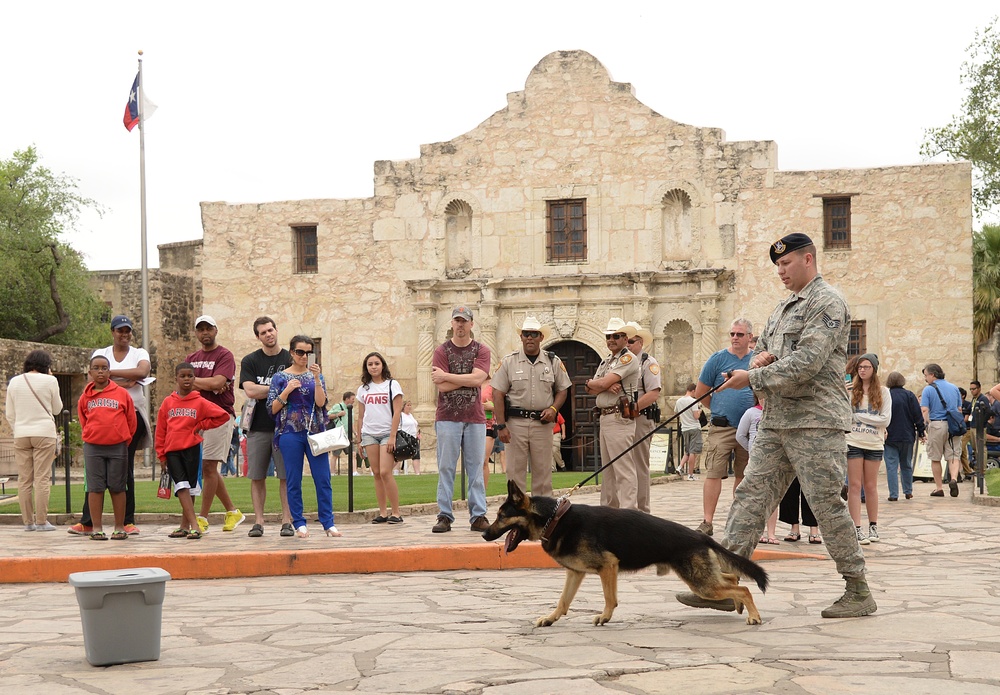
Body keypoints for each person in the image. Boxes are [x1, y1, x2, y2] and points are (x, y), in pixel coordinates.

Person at [677, 232, 876, 619]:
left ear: (808, 259)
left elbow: (808, 362)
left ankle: (858, 587)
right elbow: (765, 348)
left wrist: (752, 377)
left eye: (786, 264)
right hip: (777, 419)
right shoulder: (783, 308)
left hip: (816, 423)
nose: (781, 271)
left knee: (824, 504)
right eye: (777, 266)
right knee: (751, 496)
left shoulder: (827, 302)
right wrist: (758, 361)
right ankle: (722, 585)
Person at [68, 315, 151, 536]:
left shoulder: (138, 353)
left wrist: (109, 375)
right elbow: (92, 383)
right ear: (112, 332)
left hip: (129, 416)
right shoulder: (101, 354)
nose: (124, 335)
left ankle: (126, 521)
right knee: (94, 479)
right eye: (119, 331)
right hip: (100, 421)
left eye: (127, 331)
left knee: (125, 473)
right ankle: (89, 522)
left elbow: (142, 372)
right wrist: (122, 380)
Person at [267, 335, 340, 538]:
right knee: (293, 478)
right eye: (300, 352)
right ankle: (298, 522)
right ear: (292, 353)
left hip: (314, 431)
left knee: (323, 477)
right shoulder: (280, 377)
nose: (304, 356)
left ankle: (328, 522)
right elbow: (272, 408)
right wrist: (287, 392)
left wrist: (316, 379)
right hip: (289, 432)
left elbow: (320, 403)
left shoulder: (316, 376)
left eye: (308, 352)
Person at [492, 316, 572, 498]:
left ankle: (542, 520)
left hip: (542, 425)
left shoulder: (553, 362)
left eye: (534, 334)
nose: (529, 338)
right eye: (526, 334)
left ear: (541, 337)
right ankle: (517, 519)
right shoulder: (509, 361)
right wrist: (501, 425)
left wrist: (553, 409)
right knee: (514, 475)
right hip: (515, 425)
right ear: (521, 337)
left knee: (543, 475)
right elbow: (498, 394)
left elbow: (563, 389)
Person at [431, 306, 492, 533]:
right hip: (447, 416)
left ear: (471, 324)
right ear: (451, 323)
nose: (460, 325)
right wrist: (468, 379)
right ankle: (445, 515)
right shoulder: (442, 350)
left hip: (474, 417)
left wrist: (448, 376)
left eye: (464, 321)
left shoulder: (481, 350)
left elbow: (479, 379)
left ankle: (478, 515)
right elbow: (442, 386)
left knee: (476, 468)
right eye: (457, 321)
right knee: (446, 467)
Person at [692, 318, 755, 535]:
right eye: (732, 334)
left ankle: (738, 520)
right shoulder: (717, 359)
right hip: (722, 426)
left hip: (748, 428)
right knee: (713, 472)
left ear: (749, 337)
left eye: (739, 334)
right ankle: (707, 521)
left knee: (744, 474)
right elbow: (701, 393)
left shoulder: (756, 360)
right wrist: (719, 409)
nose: (735, 337)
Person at [155, 362, 230, 539]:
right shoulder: (168, 403)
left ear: (194, 378)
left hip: (192, 449)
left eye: (190, 376)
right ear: (176, 378)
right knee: (180, 486)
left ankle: (184, 526)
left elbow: (222, 416)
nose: (187, 379)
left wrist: (201, 425)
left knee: (190, 487)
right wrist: (161, 454)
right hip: (172, 450)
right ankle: (195, 525)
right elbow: (161, 430)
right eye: (183, 376)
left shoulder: (200, 402)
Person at [188, 315, 245, 533]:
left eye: (208, 328)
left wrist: (200, 383)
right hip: (196, 415)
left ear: (216, 330)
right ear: (196, 333)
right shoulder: (191, 357)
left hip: (219, 415)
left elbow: (218, 383)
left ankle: (202, 517)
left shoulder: (225, 355)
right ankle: (232, 511)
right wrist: (207, 384)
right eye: (200, 329)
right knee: (208, 466)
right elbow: (188, 385)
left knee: (209, 466)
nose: (205, 333)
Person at [239, 316, 294, 538]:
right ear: (258, 337)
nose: (268, 334)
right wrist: (282, 387)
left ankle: (287, 521)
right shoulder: (250, 361)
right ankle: (258, 521)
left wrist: (268, 390)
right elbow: (249, 391)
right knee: (257, 476)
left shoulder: (290, 358)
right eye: (263, 332)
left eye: (270, 330)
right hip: (258, 426)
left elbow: (299, 386)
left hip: (286, 427)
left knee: (285, 476)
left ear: (276, 330)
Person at [77, 355, 137, 541]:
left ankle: (119, 527)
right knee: (95, 488)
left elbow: (131, 421)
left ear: (109, 372)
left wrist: (122, 438)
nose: (100, 371)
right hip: (93, 447)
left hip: (118, 447)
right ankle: (96, 528)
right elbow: (83, 419)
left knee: (118, 487)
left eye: (104, 367)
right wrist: (92, 434)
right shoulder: (85, 396)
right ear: (90, 372)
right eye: (96, 368)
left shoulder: (121, 393)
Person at [585, 318, 641, 509]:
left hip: (619, 417)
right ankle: (608, 511)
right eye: (609, 336)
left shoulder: (627, 358)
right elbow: (591, 388)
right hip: (606, 416)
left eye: (616, 336)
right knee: (608, 470)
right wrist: (603, 386)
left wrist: (600, 384)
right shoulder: (606, 361)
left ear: (626, 339)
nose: (611, 340)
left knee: (623, 468)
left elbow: (597, 384)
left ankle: (629, 511)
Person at [5, 349, 62, 531]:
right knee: (42, 479)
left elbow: (10, 414)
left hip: (21, 433)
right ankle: (41, 521)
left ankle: (28, 522)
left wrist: (18, 429)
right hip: (44, 432)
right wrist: (52, 377)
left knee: (24, 480)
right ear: (46, 365)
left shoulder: (14, 382)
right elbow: (57, 409)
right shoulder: (50, 380)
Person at [845, 353, 892, 544]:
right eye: (860, 367)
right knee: (854, 486)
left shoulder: (883, 392)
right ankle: (856, 527)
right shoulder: (851, 391)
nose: (862, 370)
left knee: (871, 486)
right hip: (853, 441)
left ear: (874, 369)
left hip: (873, 442)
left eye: (866, 367)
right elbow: (846, 414)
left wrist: (860, 417)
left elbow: (885, 419)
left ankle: (873, 525)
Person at [355, 351, 404, 524]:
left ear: (382, 365)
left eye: (376, 363)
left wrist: (392, 436)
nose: (373, 367)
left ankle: (396, 512)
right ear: (366, 368)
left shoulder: (392, 385)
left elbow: (397, 411)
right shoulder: (363, 389)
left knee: (385, 472)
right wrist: (359, 439)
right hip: (369, 433)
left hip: (386, 434)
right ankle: (383, 512)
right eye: (370, 364)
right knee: (375, 473)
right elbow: (360, 416)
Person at [624, 321, 662, 513]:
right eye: (625, 340)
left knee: (639, 464)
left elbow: (653, 393)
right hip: (622, 419)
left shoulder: (648, 363)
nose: (627, 344)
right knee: (623, 465)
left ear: (640, 342)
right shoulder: (620, 361)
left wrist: (633, 408)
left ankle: (642, 509)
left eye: (631, 341)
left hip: (640, 418)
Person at [736, 395, 778, 544]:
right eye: (761, 397)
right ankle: (755, 531)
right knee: (755, 497)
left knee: (772, 497)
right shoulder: (751, 413)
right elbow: (740, 435)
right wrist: (751, 449)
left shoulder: (778, 412)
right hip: (755, 460)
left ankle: (771, 533)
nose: (764, 400)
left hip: (773, 459)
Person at [920, 363, 964, 498]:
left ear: (932, 375)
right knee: (954, 455)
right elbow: (959, 409)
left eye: (926, 375)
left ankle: (939, 487)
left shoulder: (928, 390)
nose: (925, 378)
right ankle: (954, 479)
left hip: (937, 425)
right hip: (953, 426)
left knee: (935, 457)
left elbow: (924, 409)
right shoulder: (954, 388)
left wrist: (924, 425)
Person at [884, 371, 926, 501]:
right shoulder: (909, 395)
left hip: (890, 435)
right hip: (907, 435)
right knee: (906, 464)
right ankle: (908, 491)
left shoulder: (886, 396)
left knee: (891, 465)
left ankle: (893, 494)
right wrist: (921, 431)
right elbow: (917, 415)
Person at [674, 382, 703, 480]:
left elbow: (677, 413)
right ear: (693, 391)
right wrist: (699, 411)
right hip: (694, 427)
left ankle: (680, 467)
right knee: (693, 452)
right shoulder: (693, 401)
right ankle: (690, 474)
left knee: (687, 450)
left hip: (685, 428)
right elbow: (696, 416)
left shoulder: (679, 401)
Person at [327, 391, 356, 474]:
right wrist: (338, 414)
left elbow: (352, 422)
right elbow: (328, 415)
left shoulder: (351, 409)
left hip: (348, 435)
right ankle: (332, 472)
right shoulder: (338, 406)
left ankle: (354, 472)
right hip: (338, 435)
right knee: (335, 455)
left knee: (353, 454)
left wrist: (355, 432)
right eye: (352, 399)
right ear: (347, 399)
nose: (354, 401)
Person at [481, 377, 497, 486]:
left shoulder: (493, 385)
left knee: (483, 461)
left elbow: (503, 406)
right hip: (472, 423)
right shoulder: (470, 383)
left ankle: (482, 493)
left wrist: (492, 407)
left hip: (488, 425)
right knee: (473, 463)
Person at [399, 400, 421, 474]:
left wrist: (417, 433)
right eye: (408, 405)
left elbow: (415, 425)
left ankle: (417, 473)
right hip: (404, 437)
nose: (409, 407)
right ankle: (394, 471)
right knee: (400, 456)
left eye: (410, 405)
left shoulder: (411, 415)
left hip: (413, 438)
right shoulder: (401, 415)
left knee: (416, 455)